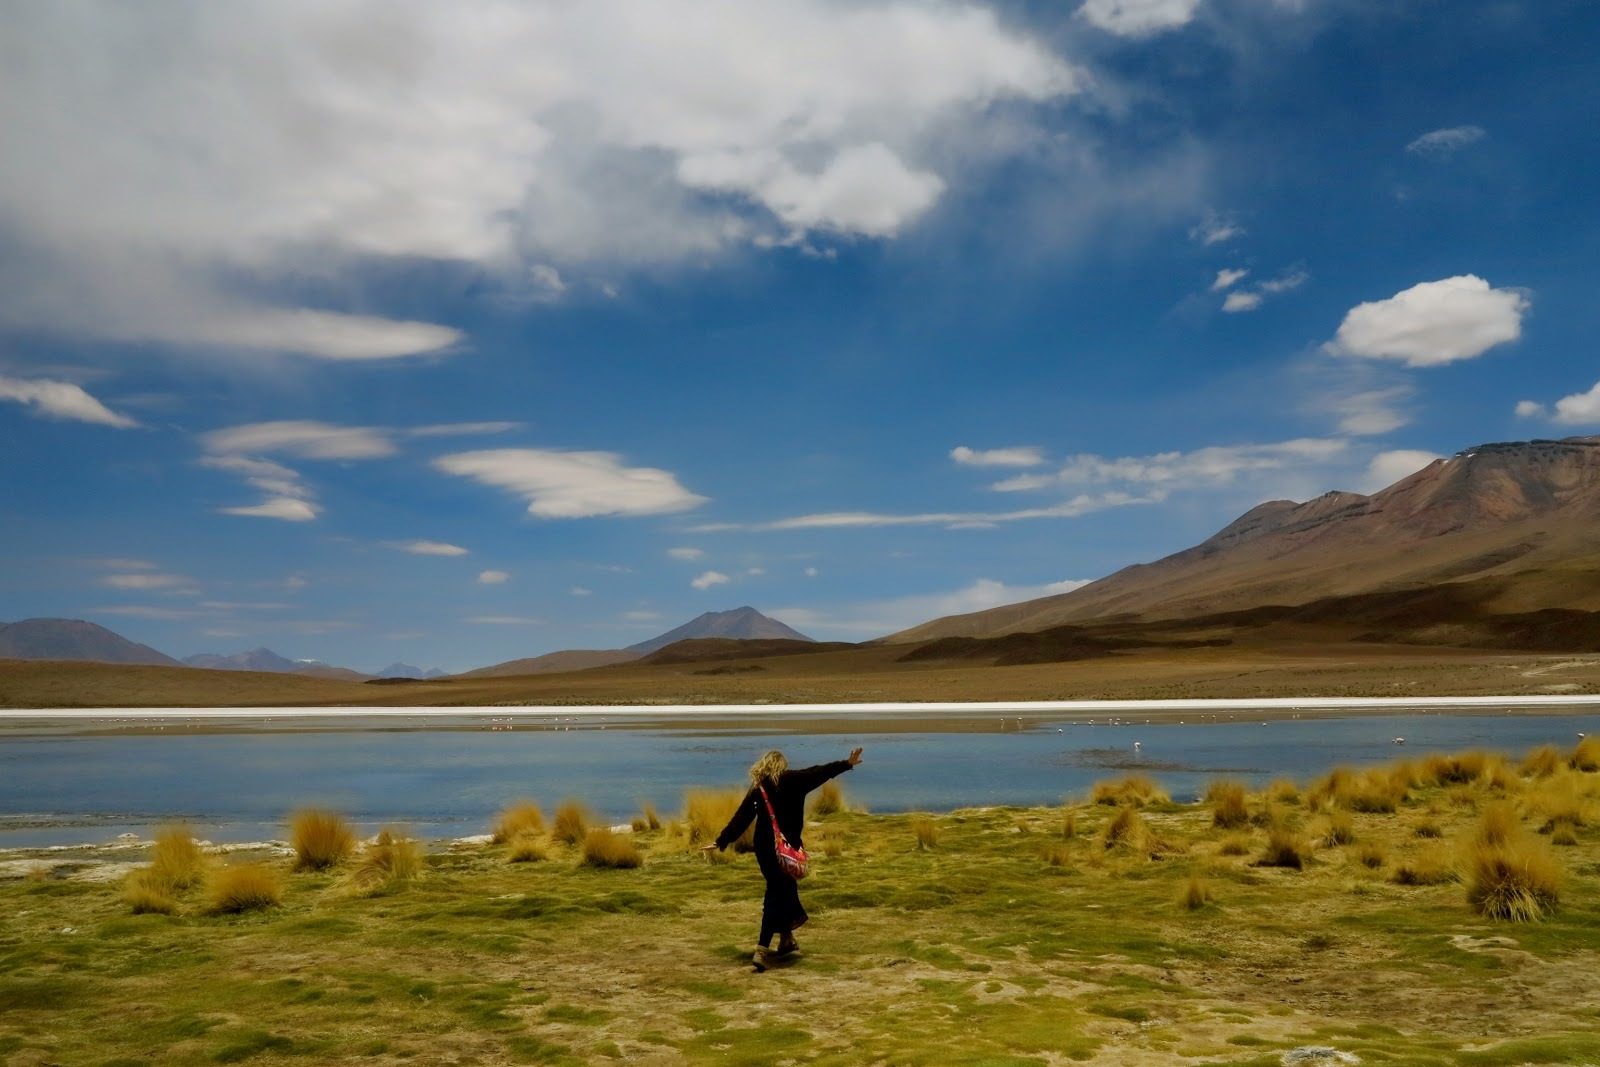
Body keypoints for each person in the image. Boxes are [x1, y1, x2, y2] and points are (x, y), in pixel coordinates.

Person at [701, 746, 863, 971]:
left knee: (783, 888)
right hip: (787, 850)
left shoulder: (758, 788)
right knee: (776, 893)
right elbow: (820, 771)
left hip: (765, 850)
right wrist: (847, 764)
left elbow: (742, 817)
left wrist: (721, 840)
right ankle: (762, 948)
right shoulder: (794, 780)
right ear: (782, 765)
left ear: (764, 765)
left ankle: (786, 940)